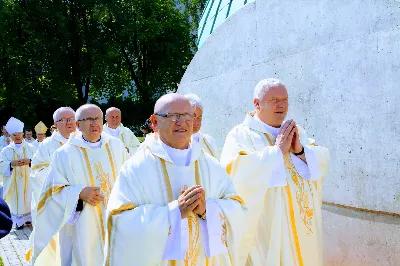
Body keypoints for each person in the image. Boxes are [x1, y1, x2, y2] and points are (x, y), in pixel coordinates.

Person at [105, 94, 247, 265]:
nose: (182, 122)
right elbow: (118, 221)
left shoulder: (210, 165)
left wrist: (207, 209)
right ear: (155, 122)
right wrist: (173, 213)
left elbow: (238, 209)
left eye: (188, 115)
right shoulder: (137, 168)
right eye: (173, 116)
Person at [220, 78, 330, 265]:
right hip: (267, 226)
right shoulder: (240, 135)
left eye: (285, 100)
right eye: (274, 100)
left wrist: (300, 151)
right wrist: (276, 152)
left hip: (302, 225)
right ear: (257, 103)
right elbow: (234, 171)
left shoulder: (296, 131)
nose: (282, 105)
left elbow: (323, 157)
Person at [28, 104, 129, 266]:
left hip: (115, 217)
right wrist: (79, 193)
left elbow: (129, 179)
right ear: (78, 125)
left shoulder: (116, 147)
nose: (94, 123)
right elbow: (53, 190)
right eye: (88, 119)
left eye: (97, 119)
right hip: (83, 220)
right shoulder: (64, 154)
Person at [27, 107, 78, 266]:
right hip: (56, 200)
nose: (70, 122)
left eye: (72, 119)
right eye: (65, 119)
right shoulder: (47, 145)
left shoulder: (83, 140)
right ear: (56, 123)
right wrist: (59, 176)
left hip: (79, 199)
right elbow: (37, 171)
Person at [0, 117, 36, 229]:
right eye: (15, 135)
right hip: (13, 181)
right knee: (16, 199)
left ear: (23, 134)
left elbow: (40, 162)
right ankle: (18, 222)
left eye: (19, 134)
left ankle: (29, 219)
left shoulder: (31, 147)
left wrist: (30, 161)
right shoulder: (6, 150)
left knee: (29, 197)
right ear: (11, 136)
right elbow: (1, 164)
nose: (18, 137)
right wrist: (11, 164)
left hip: (29, 179)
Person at [185, 94, 221, 159]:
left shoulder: (210, 142)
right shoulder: (173, 143)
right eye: (193, 117)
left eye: (199, 117)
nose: (196, 123)